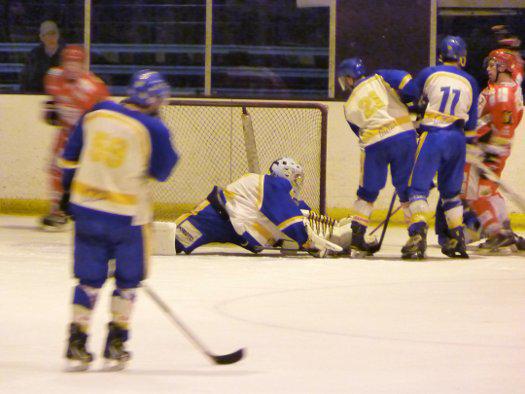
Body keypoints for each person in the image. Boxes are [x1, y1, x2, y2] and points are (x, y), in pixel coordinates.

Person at [59, 70, 178, 370]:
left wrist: (66, 190)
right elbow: (162, 172)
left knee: (88, 279)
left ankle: (77, 339)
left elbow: (70, 156)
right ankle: (117, 341)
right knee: (128, 279)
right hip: (128, 219)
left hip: (85, 207)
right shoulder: (154, 128)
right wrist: (157, 130)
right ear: (157, 100)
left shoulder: (98, 111)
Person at [402, 36, 480, 259]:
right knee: (451, 193)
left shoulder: (429, 73)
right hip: (457, 139)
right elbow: (472, 124)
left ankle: (417, 234)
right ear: (462, 57)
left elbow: (412, 99)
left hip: (434, 135)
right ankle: (457, 237)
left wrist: (417, 116)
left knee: (417, 188)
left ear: (440, 55)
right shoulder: (471, 82)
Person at [174, 157, 344, 257]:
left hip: (230, 227)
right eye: (295, 176)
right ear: (285, 173)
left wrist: (334, 228)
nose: (297, 181)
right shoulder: (274, 184)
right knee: (168, 242)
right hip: (213, 218)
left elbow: (301, 214)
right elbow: (292, 223)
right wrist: (308, 242)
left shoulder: (280, 194)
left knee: (172, 243)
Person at [336, 57, 418, 255]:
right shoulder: (381, 77)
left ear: (349, 79)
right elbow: (409, 83)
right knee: (407, 189)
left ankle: (357, 238)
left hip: (375, 146)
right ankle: (417, 235)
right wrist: (414, 106)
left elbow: (360, 133)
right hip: (403, 136)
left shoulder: (348, 107)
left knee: (367, 192)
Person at [458, 48, 523, 252]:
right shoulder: (502, 88)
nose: (488, 68)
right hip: (487, 148)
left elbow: (503, 128)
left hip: (488, 150)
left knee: (476, 192)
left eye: (492, 64)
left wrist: (487, 150)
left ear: (503, 67)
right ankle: (505, 231)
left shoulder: (503, 93)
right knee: (488, 191)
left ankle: (497, 232)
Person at [41, 44, 109, 230]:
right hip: (65, 134)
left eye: (76, 62)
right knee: (55, 169)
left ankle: (93, 212)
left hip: (88, 137)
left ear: (83, 65)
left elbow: (107, 113)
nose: (71, 66)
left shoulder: (93, 87)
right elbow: (53, 102)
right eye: (68, 62)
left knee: (89, 175)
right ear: (63, 63)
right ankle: (57, 212)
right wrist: (52, 111)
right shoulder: (53, 77)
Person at [19, 20, 64, 93]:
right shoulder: (34, 55)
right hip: (38, 95)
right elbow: (26, 80)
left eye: (53, 33)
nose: (50, 38)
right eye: (46, 34)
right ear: (41, 37)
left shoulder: (66, 54)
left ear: (58, 35)